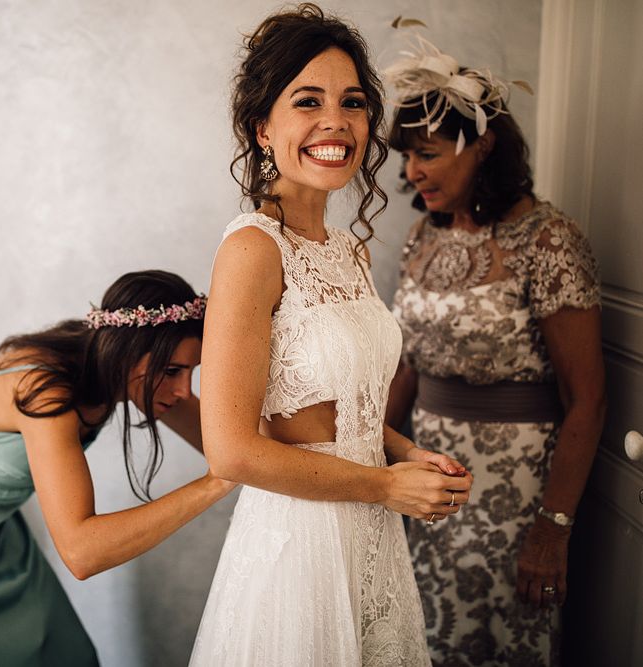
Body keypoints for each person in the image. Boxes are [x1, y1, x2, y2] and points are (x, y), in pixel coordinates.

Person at [189, 6, 473, 666]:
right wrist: (383, 486)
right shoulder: (252, 251)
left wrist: (405, 454)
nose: (334, 122)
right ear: (263, 127)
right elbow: (230, 449)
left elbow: (345, 408)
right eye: (306, 101)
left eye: (351, 102)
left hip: (369, 536)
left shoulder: (347, 250)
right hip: (301, 543)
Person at [384, 33, 606, 666]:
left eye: (426, 154)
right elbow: (409, 363)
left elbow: (586, 399)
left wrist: (551, 529)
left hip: (514, 492)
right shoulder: (423, 236)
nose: (411, 172)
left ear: (481, 146)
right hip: (427, 486)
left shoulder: (549, 240)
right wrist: (371, 465)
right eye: (408, 158)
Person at [0, 270, 235, 666]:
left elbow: (231, 445)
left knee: (70, 658)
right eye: (172, 372)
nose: (184, 390)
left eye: (191, 371)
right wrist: (212, 485)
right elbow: (82, 553)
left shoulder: (119, 373)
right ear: (127, 351)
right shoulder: (47, 390)